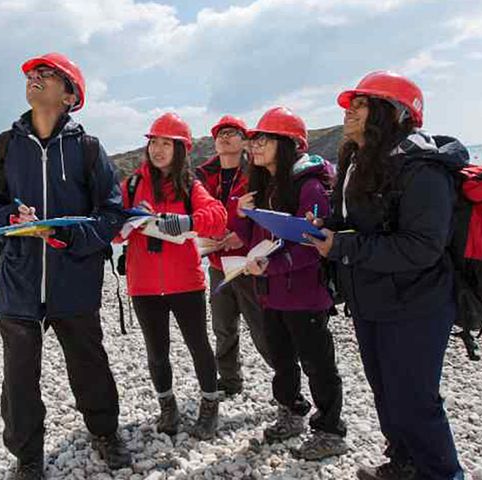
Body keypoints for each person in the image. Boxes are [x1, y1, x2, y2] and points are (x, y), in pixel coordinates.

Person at [0, 52, 131, 478]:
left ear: (70, 95)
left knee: (88, 363)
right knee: (19, 377)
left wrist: (63, 236)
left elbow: (112, 216)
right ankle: (27, 458)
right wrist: (10, 221)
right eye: (31, 74)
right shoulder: (4, 148)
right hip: (19, 278)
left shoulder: (88, 149)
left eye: (47, 74)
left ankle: (104, 433)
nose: (35, 78)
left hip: (74, 278)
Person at [307, 71, 466, 480]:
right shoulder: (357, 162)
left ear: (391, 113)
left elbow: (421, 247)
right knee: (386, 393)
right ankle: (404, 464)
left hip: (418, 302)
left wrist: (340, 246)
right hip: (371, 297)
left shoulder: (422, 170)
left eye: (360, 104)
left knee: (415, 399)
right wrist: (322, 227)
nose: (348, 111)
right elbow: (358, 223)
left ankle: (444, 474)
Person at [231, 107, 348, 460]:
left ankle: (330, 431)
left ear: (288, 144)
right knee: (281, 361)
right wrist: (240, 215)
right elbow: (247, 239)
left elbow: (315, 247)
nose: (254, 145)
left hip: (305, 295)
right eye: (254, 138)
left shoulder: (310, 186)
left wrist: (270, 267)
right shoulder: (262, 187)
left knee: (317, 364)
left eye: (263, 138)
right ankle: (290, 413)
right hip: (270, 294)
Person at [119, 112, 227, 440]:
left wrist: (185, 221)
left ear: (180, 149)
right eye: (154, 142)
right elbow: (111, 228)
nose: (159, 149)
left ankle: (210, 406)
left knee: (199, 346)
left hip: (186, 283)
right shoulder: (132, 185)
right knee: (156, 352)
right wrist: (128, 221)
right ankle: (167, 407)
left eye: (167, 143)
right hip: (144, 285)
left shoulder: (190, 185)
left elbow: (217, 218)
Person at [195, 115, 274, 397]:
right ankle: (229, 380)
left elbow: (266, 213)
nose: (225, 137)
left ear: (245, 142)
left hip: (249, 263)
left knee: (261, 327)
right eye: (220, 134)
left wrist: (241, 233)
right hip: (217, 263)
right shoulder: (203, 178)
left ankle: (287, 380)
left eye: (232, 133)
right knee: (222, 327)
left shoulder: (257, 173)